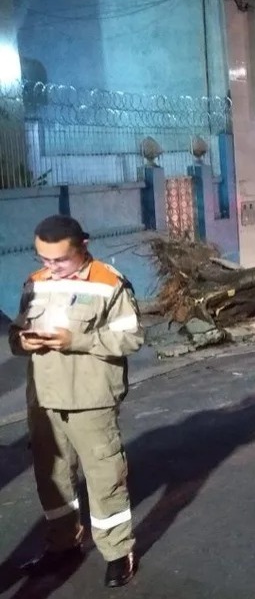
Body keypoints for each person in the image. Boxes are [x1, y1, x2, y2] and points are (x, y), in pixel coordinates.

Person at [7, 215, 143, 589]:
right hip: (44, 401)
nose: (51, 267)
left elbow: (131, 338)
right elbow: (16, 333)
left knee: (105, 478)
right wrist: (23, 341)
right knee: (52, 478)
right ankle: (63, 545)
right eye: (43, 258)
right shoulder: (35, 282)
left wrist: (76, 341)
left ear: (83, 247)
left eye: (60, 260)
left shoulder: (108, 282)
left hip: (90, 399)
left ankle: (118, 553)